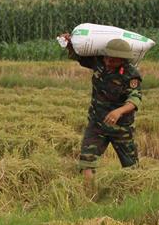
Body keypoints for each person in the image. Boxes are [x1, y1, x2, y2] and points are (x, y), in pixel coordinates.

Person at [60, 34, 143, 183]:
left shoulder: (131, 74)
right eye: (106, 58)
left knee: (131, 168)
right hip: (97, 124)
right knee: (87, 162)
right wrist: (69, 44)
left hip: (121, 129)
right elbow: (78, 56)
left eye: (113, 60)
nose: (108, 62)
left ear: (122, 59)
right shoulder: (99, 62)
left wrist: (119, 111)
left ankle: (134, 196)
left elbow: (135, 99)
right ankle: (89, 196)